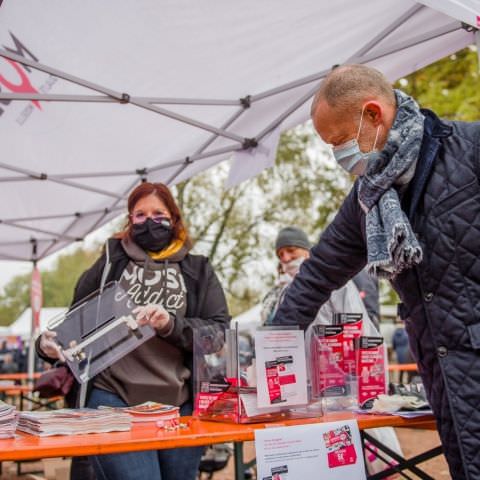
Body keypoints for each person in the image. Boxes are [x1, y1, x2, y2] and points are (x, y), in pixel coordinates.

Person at [272, 64, 480, 479]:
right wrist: (272, 348)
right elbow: (319, 273)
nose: (338, 156)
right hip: (446, 381)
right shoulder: (368, 199)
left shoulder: (471, 150)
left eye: (340, 141)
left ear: (373, 114)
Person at [36, 182, 230, 480]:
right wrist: (44, 346)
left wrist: (170, 325)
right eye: (139, 215)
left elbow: (217, 333)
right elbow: (72, 327)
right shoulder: (110, 264)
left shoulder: (197, 269)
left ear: (174, 219)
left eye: (158, 213)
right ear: (129, 220)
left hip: (179, 404)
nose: (148, 221)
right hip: (113, 398)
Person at [262, 226, 375, 328]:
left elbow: (356, 323)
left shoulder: (331, 279)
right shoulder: (278, 293)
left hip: (332, 349)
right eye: (280, 254)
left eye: (291, 250)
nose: (286, 258)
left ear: (307, 251)